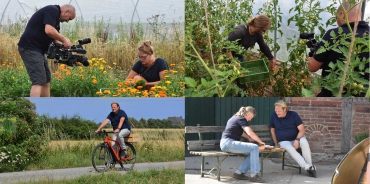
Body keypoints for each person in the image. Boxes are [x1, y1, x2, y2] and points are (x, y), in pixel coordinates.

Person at [308, 1, 370, 97]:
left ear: (342, 14)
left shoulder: (334, 34)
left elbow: (312, 67)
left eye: (337, 18)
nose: (337, 23)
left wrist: (315, 54)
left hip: (333, 95)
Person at [18, 4, 76, 97]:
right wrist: (64, 40)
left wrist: (65, 45)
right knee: (39, 81)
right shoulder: (52, 10)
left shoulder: (56, 19)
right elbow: (49, 30)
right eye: (69, 18)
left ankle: (47, 107)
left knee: (46, 80)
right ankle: (33, 110)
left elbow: (54, 37)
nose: (67, 21)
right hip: (30, 47)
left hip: (39, 50)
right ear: (66, 12)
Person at [226, 14, 276, 93]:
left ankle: (241, 97)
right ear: (259, 27)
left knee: (242, 79)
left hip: (239, 56)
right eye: (264, 30)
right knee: (227, 78)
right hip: (227, 56)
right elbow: (227, 47)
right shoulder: (239, 31)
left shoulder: (257, 34)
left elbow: (263, 46)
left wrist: (271, 58)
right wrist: (232, 62)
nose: (264, 32)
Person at [269, 100, 316, 177]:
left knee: (304, 142)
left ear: (285, 109)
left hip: (296, 138)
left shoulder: (293, 115)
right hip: (283, 141)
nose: (277, 113)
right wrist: (276, 143)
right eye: (276, 111)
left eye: (279, 111)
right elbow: (272, 130)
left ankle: (310, 166)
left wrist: (297, 140)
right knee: (289, 147)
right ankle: (308, 167)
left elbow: (302, 130)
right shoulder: (273, 116)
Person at [220, 106, 266, 183]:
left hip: (226, 143)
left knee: (254, 151)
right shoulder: (241, 119)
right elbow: (250, 132)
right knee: (255, 147)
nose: (250, 119)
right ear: (247, 114)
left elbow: (240, 132)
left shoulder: (235, 118)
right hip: (228, 143)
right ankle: (254, 175)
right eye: (251, 117)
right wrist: (260, 142)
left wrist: (249, 138)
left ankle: (239, 173)